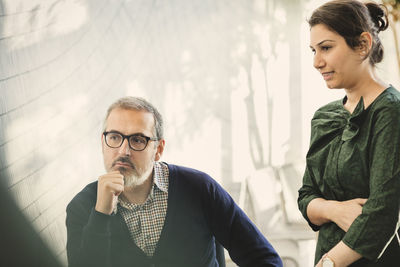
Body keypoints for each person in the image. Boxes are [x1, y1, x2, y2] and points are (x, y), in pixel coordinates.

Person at [66, 96, 282, 267]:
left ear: (158, 149)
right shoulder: (82, 208)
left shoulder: (199, 189)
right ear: (103, 143)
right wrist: (101, 214)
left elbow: (263, 258)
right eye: (114, 137)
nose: (124, 151)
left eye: (138, 140)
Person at [298, 0, 400, 266]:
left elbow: (382, 213)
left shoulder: (391, 111)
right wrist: (335, 209)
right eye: (313, 50)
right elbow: (306, 197)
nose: (316, 62)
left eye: (326, 48)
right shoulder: (323, 116)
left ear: (363, 45)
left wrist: (330, 262)